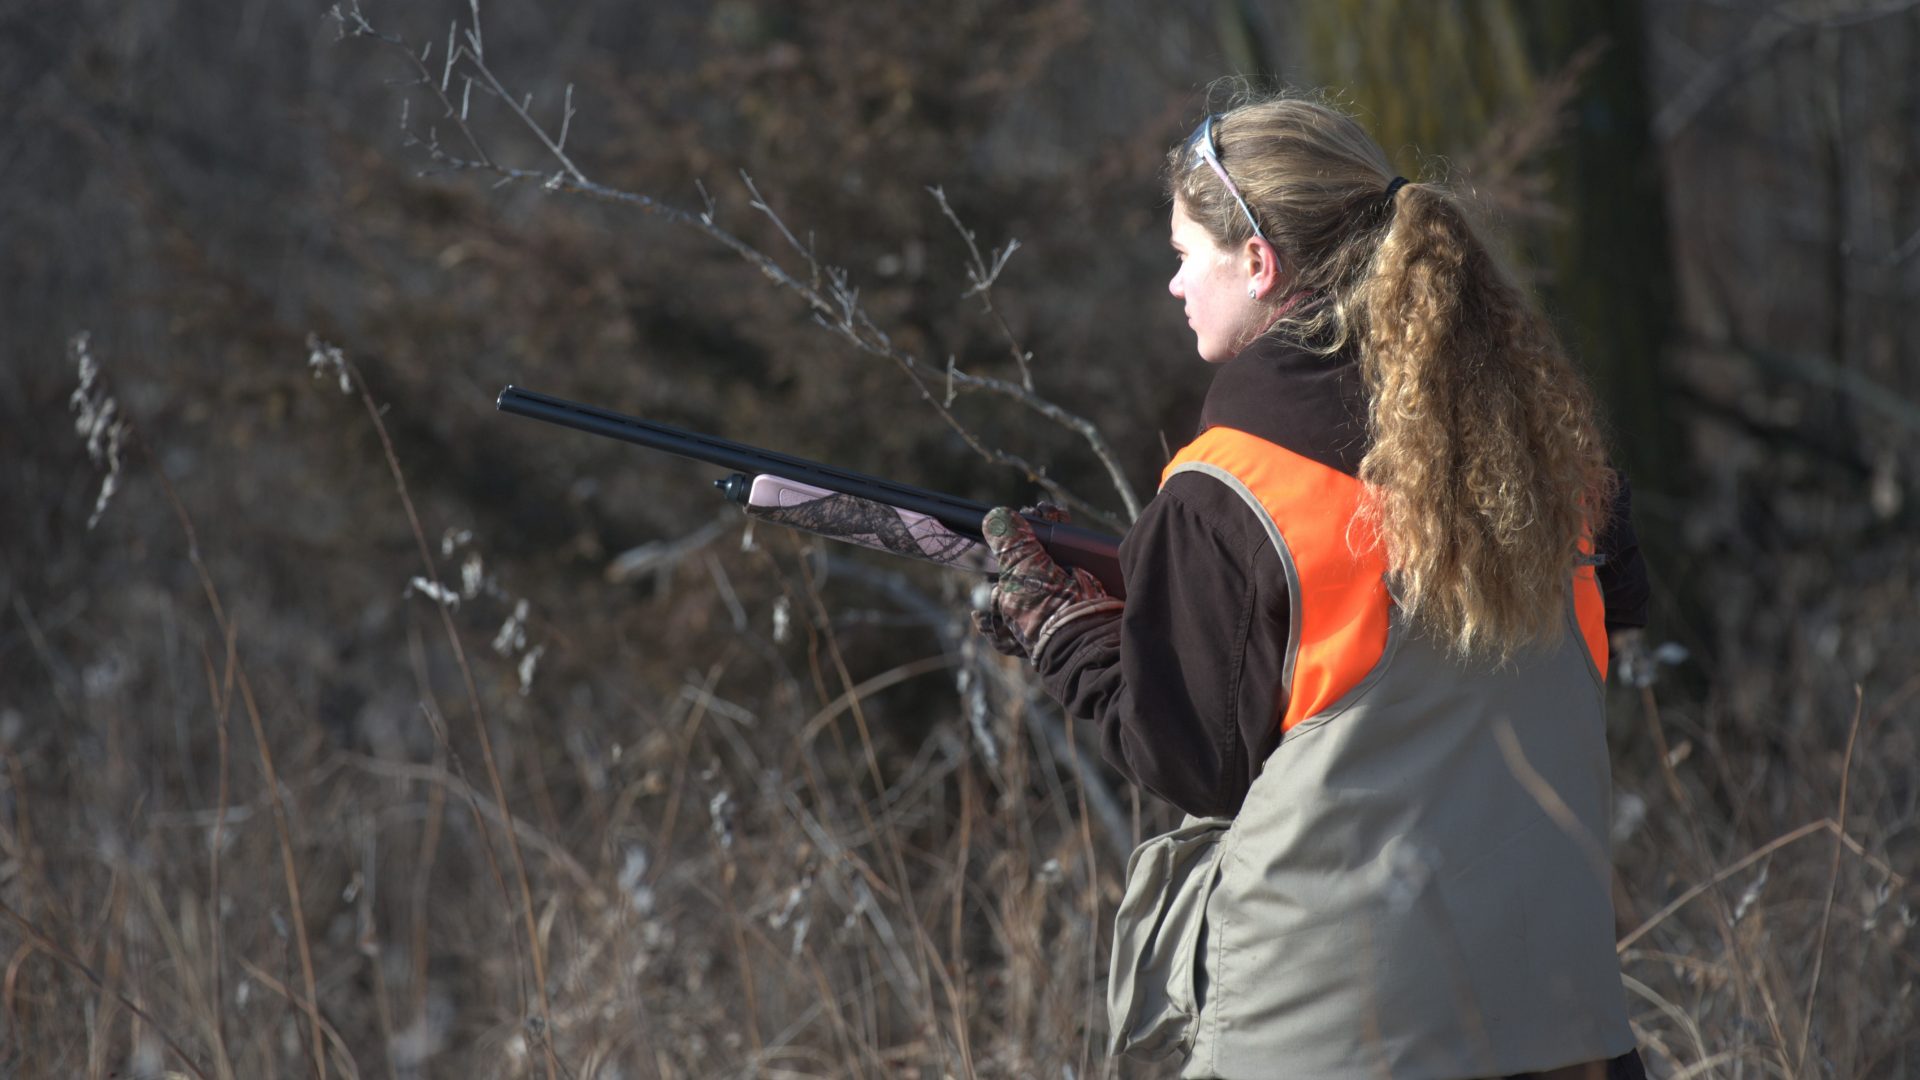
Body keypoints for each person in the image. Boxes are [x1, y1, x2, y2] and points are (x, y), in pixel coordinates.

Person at [973, 92, 1651, 1080]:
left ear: (1257, 263)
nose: (1173, 286)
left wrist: (1064, 634)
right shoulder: (1547, 461)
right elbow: (1601, 616)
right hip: (1555, 1019)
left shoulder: (1232, 484)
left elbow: (1192, 753)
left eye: (1182, 255)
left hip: (1334, 1030)